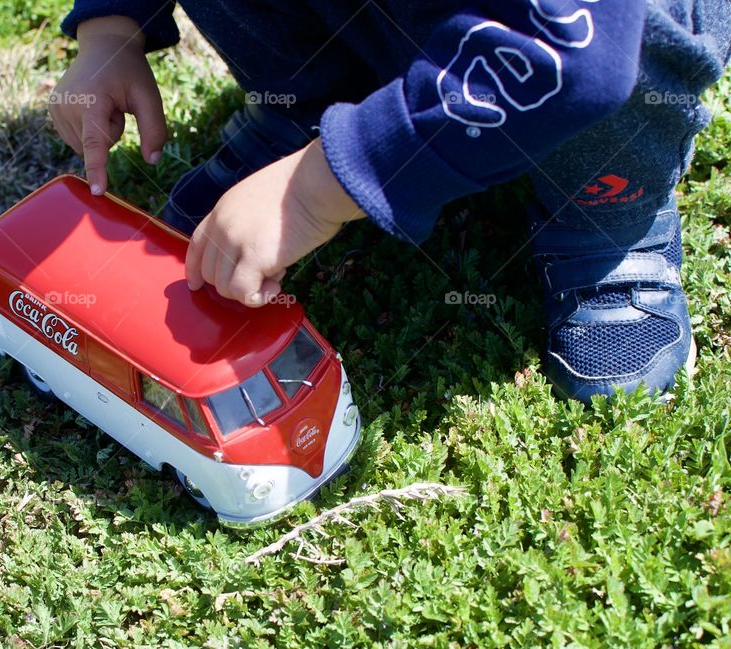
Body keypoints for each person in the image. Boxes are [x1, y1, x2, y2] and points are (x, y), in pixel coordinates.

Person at [49, 1, 731, 402]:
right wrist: (113, 28)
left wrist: (312, 193)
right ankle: (313, 99)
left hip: (591, 39)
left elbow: (577, 54)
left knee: (637, 39)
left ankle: (605, 213)